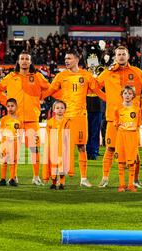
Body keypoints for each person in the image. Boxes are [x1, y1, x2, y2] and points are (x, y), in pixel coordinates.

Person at [42, 50, 105, 187]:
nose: (66, 61)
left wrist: (111, 101)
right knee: (62, 149)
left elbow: (97, 91)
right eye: (65, 58)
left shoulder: (86, 75)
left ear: (77, 59)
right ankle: (59, 176)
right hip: (64, 119)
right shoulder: (61, 75)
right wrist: (38, 98)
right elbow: (50, 90)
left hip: (80, 117)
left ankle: (83, 179)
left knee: (82, 147)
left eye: (69, 58)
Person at [96, 46, 142, 188]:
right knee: (110, 148)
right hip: (113, 118)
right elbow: (94, 85)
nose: (121, 56)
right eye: (119, 54)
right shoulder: (108, 72)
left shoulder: (136, 72)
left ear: (128, 56)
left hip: (132, 120)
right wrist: (107, 98)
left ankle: (135, 179)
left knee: (134, 150)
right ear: (115, 56)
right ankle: (105, 178)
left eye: (124, 54)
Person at [0, 51, 50, 185]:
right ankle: (13, 176)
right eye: (22, 59)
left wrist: (39, 99)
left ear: (31, 62)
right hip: (15, 121)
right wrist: (7, 102)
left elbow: (50, 89)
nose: (25, 61)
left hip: (32, 119)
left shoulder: (37, 76)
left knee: (35, 149)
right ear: (18, 61)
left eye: (27, 59)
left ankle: (36, 177)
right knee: (12, 150)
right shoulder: (11, 76)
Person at [115, 86, 142, 192]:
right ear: (122, 94)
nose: (127, 95)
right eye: (125, 93)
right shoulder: (118, 108)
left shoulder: (137, 109)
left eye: (130, 93)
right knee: (121, 160)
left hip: (132, 136)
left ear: (133, 96)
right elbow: (116, 123)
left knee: (132, 161)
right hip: (121, 136)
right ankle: (122, 185)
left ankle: (131, 184)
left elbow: (138, 124)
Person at [42, 100, 71, 190]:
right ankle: (53, 182)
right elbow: (48, 135)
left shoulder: (67, 121)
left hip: (63, 147)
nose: (60, 110)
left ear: (65, 110)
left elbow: (68, 135)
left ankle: (62, 183)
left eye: (62, 108)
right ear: (54, 110)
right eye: (57, 108)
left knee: (62, 165)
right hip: (53, 147)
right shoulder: (50, 122)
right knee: (53, 165)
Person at [0, 98, 21, 187]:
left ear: (16, 107)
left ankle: (12, 179)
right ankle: (3, 179)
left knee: (13, 161)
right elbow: (1, 131)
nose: (10, 108)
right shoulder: (4, 119)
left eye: (12, 106)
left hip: (15, 144)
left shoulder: (19, 120)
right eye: (8, 106)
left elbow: (20, 132)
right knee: (4, 161)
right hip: (5, 143)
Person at [86, 94, 104, 160]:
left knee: (95, 131)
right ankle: (88, 151)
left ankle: (94, 152)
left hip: (98, 107)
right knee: (88, 131)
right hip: (86, 107)